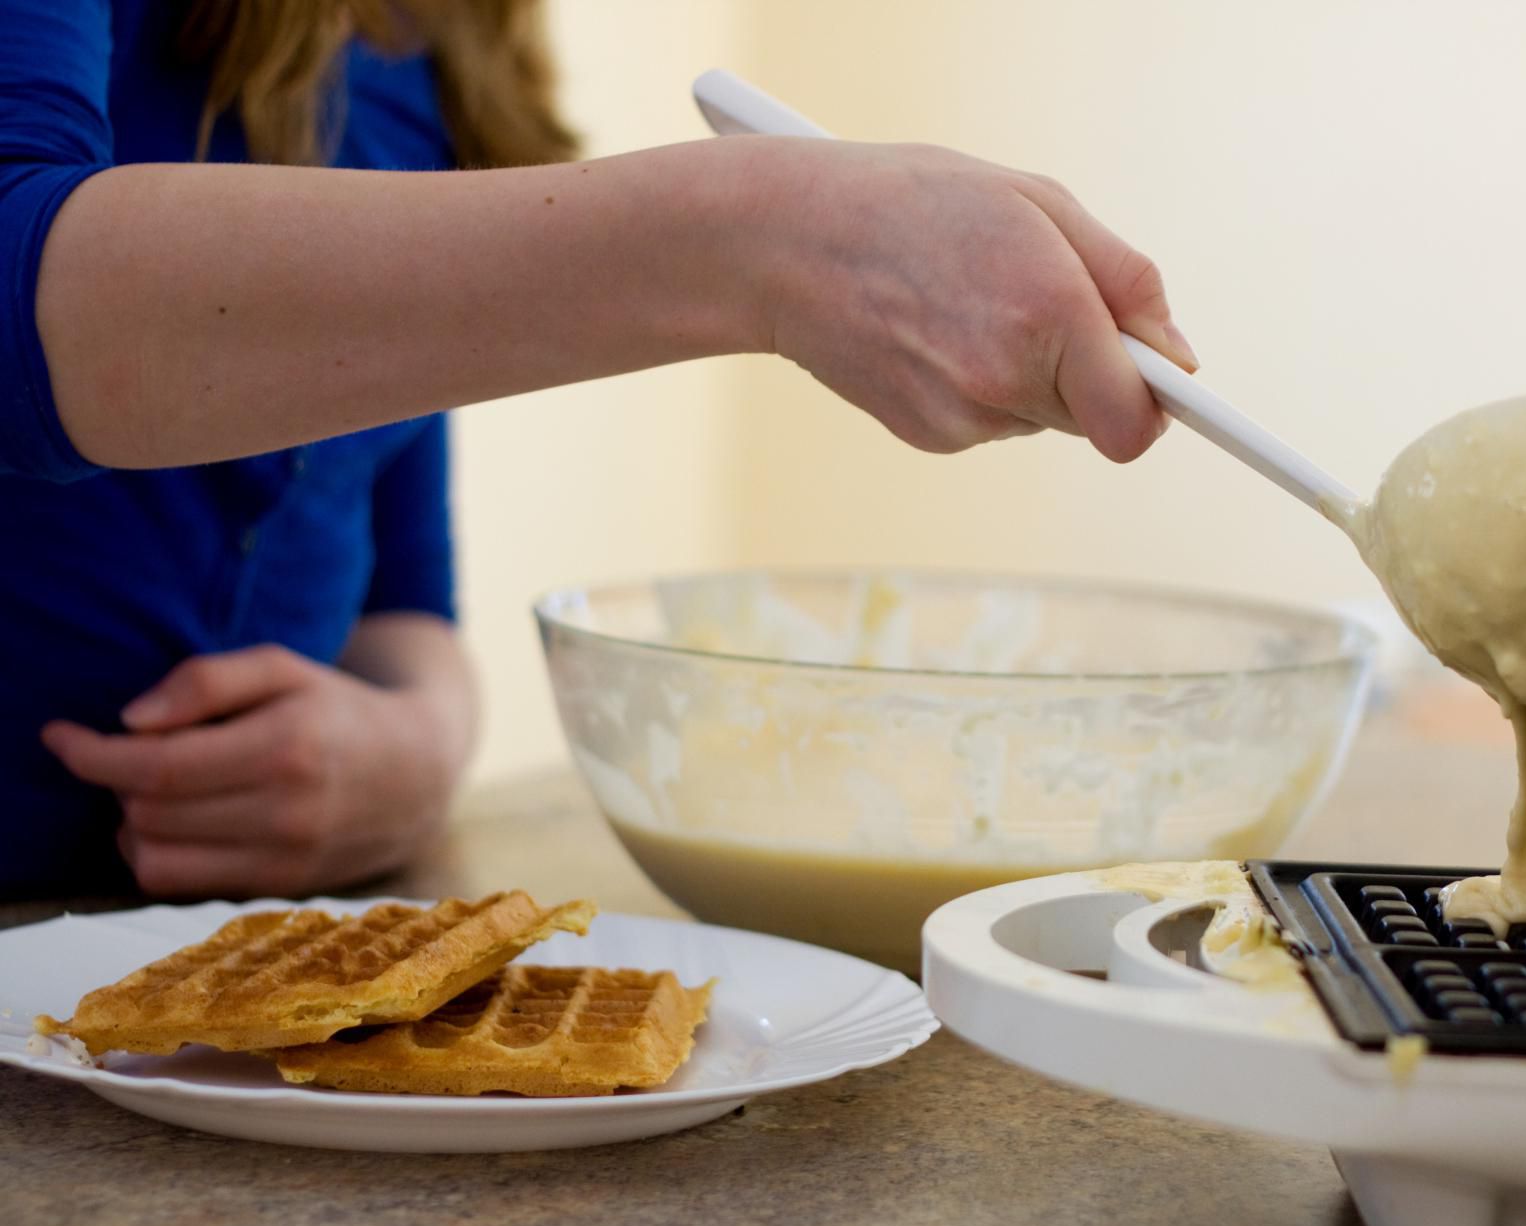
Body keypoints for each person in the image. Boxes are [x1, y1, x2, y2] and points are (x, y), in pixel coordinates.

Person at [0, 1, 1194, 901]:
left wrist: (416, 747)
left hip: (204, 979)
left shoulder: (445, 38)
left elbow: (397, 583)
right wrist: (758, 240)